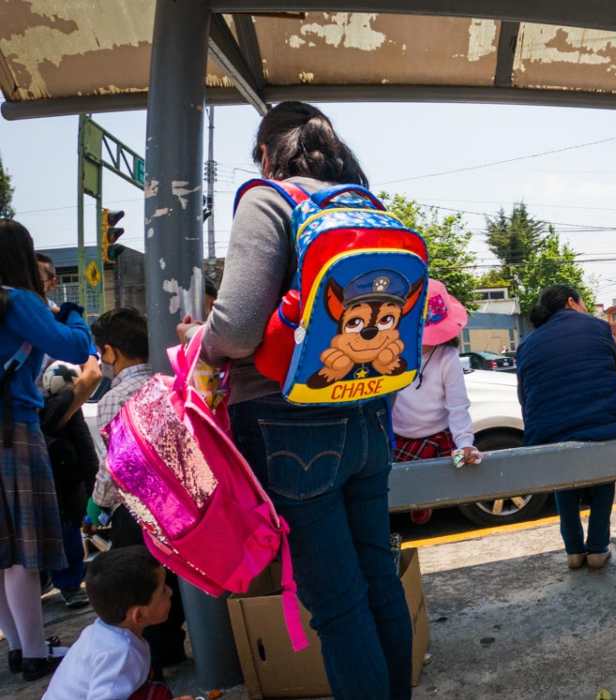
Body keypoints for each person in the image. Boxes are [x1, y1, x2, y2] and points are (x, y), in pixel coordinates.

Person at [182, 101, 412, 699]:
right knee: (378, 580)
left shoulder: (269, 198)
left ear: (267, 152)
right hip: (367, 414)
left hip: (290, 428)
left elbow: (234, 330)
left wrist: (194, 337)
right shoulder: (366, 206)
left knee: (338, 605)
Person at [0, 219, 95, 681]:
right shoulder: (16, 300)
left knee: (1, 550)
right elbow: (74, 346)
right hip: (13, 430)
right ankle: (37, 654)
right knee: (23, 548)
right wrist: (73, 312)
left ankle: (19, 648)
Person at [88, 306, 188, 677]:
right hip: (178, 504)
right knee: (172, 580)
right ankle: (174, 645)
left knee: (141, 583)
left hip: (136, 509)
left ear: (111, 352)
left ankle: (153, 661)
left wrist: (97, 503)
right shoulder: (166, 380)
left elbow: (113, 466)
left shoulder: (113, 399)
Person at [517, 286, 616, 570]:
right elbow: (612, 371)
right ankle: (598, 548)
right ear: (572, 302)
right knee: (602, 476)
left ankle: (574, 551)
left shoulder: (528, 342)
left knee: (565, 480)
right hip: (603, 420)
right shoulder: (598, 327)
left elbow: (524, 395)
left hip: (549, 429)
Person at [389, 279, 481, 525]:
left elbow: (458, 406)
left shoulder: (448, 357)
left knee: (463, 463)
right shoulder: (390, 352)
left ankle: (427, 500)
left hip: (438, 435)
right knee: (392, 481)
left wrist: (465, 444)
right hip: (398, 436)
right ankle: (415, 501)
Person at [43, 547, 175, 700]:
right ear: (138, 615)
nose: (170, 591)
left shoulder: (99, 631)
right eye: (163, 590)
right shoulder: (120, 654)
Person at [38, 360, 101, 609]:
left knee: (62, 537)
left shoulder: (49, 411)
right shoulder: (66, 410)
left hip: (60, 485)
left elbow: (86, 452)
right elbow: (87, 454)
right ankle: (67, 585)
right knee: (66, 537)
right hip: (63, 485)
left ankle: (64, 584)